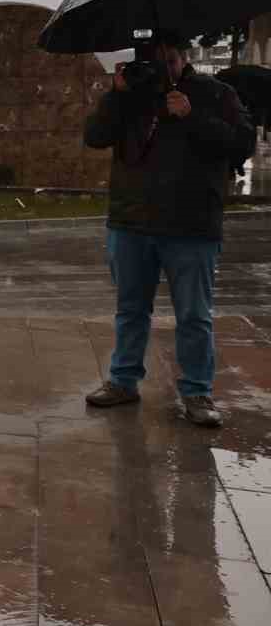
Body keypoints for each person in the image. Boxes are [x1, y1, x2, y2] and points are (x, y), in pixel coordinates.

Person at [82, 29, 254, 427]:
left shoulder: (215, 93)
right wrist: (117, 93)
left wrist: (192, 116)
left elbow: (239, 145)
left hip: (191, 225)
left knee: (194, 314)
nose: (163, 68)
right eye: (155, 61)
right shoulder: (131, 93)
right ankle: (123, 381)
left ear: (183, 56)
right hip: (130, 221)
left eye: (169, 59)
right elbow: (94, 136)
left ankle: (197, 392)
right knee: (130, 310)